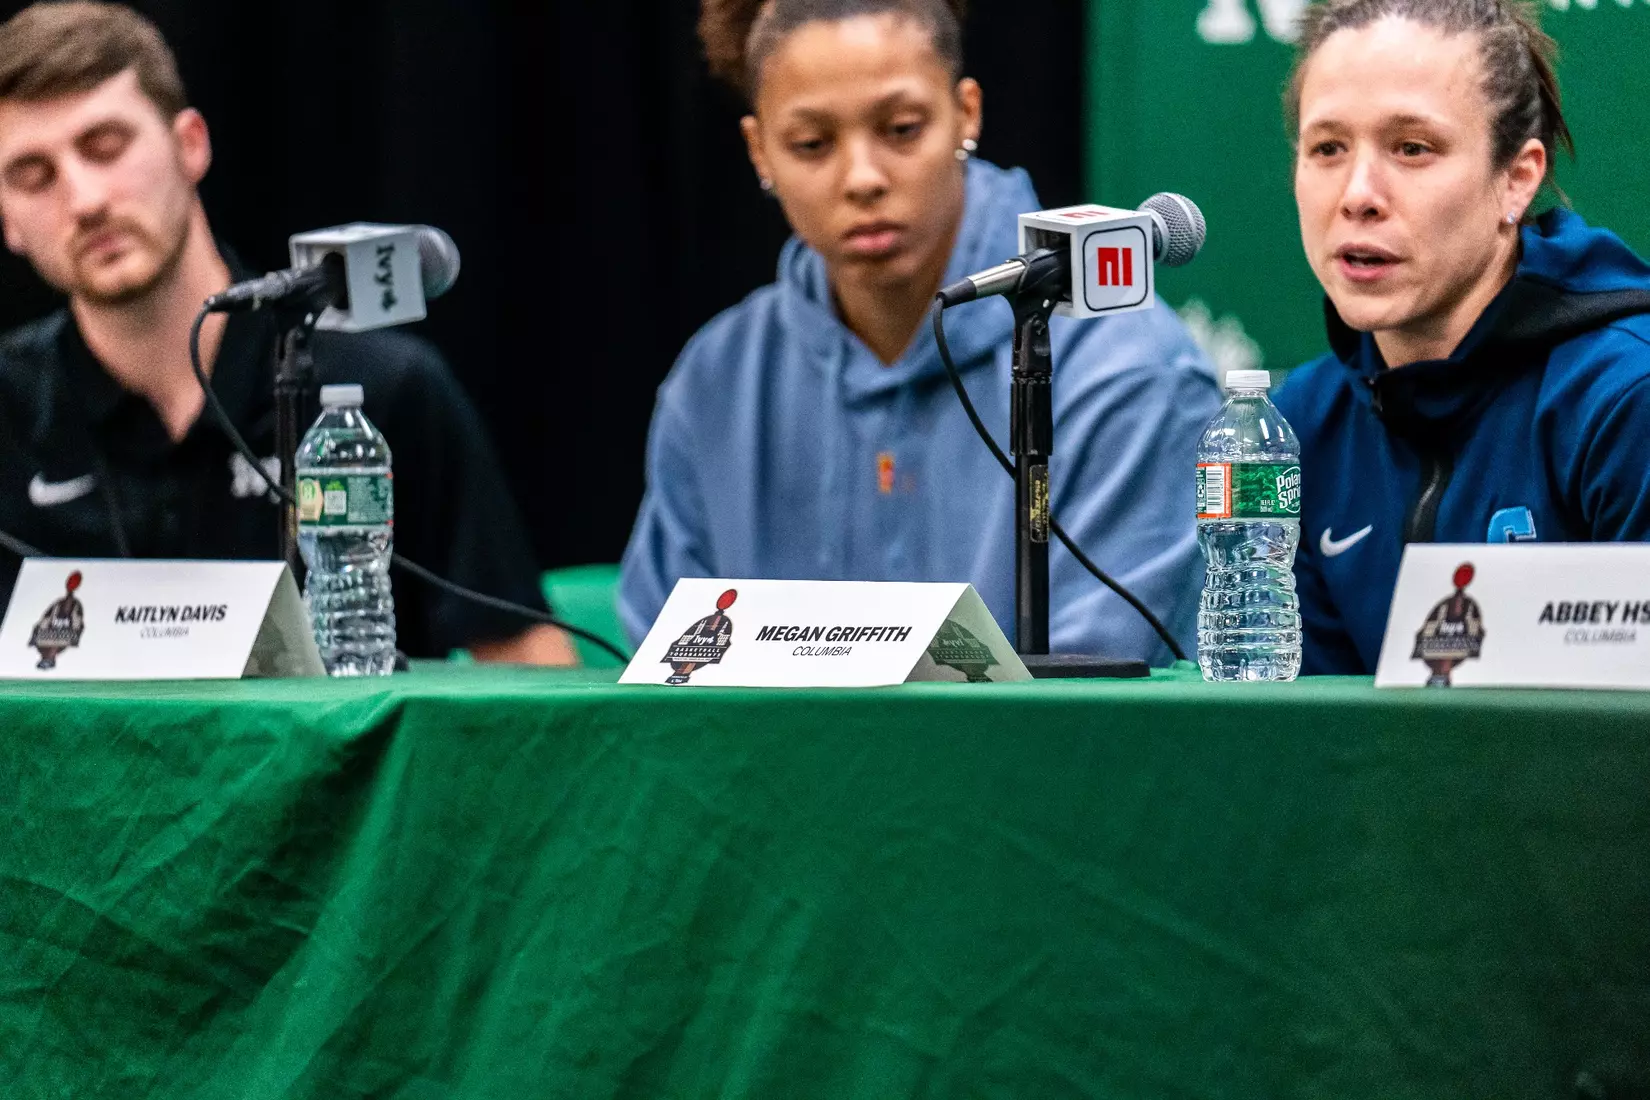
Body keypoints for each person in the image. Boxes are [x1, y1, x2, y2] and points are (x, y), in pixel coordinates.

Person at [619, 0, 1221, 665]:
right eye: (812, 144)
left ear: (967, 113)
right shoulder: (716, 382)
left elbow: (1103, 706)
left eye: (902, 129)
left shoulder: (1124, 368)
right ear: (759, 149)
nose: (863, 178)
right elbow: (670, 684)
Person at [0, 2, 575, 664]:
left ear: (190, 145)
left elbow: (528, 665)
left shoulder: (382, 391)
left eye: (106, 147)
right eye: (33, 175)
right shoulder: (11, 413)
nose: (85, 199)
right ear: (8, 220)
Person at [1274, 0, 1650, 675]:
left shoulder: (1625, 399)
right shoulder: (1301, 426)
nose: (1359, 194)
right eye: (1328, 148)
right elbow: (1309, 749)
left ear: (1516, 178)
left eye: (1412, 148)